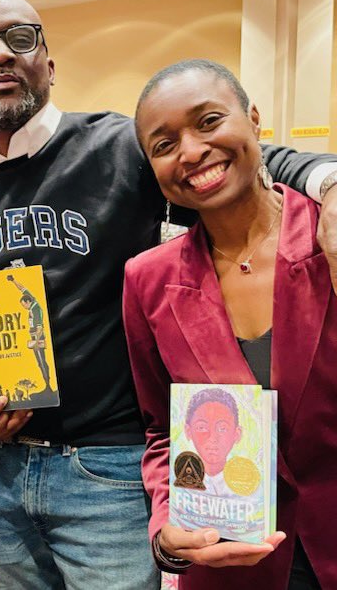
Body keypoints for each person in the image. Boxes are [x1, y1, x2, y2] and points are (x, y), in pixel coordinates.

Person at [0, 0, 337, 589]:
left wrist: (328, 180)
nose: (0, 57)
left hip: (107, 470)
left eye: (21, 39)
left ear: (49, 63)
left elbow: (234, 163)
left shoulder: (120, 146)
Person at [124, 59, 335, 589]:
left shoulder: (329, 240)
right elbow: (160, 430)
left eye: (209, 121)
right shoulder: (147, 280)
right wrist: (167, 528)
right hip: (233, 566)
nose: (192, 151)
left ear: (255, 119)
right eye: (164, 144)